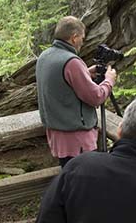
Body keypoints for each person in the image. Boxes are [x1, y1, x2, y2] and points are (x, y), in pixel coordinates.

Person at [36, 16, 117, 167]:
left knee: (70, 178)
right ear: (74, 38)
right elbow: (96, 97)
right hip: (77, 139)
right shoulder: (71, 62)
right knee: (84, 183)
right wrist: (109, 80)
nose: (82, 42)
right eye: (82, 38)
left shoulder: (45, 56)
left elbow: (60, 83)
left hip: (57, 135)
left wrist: (85, 73)